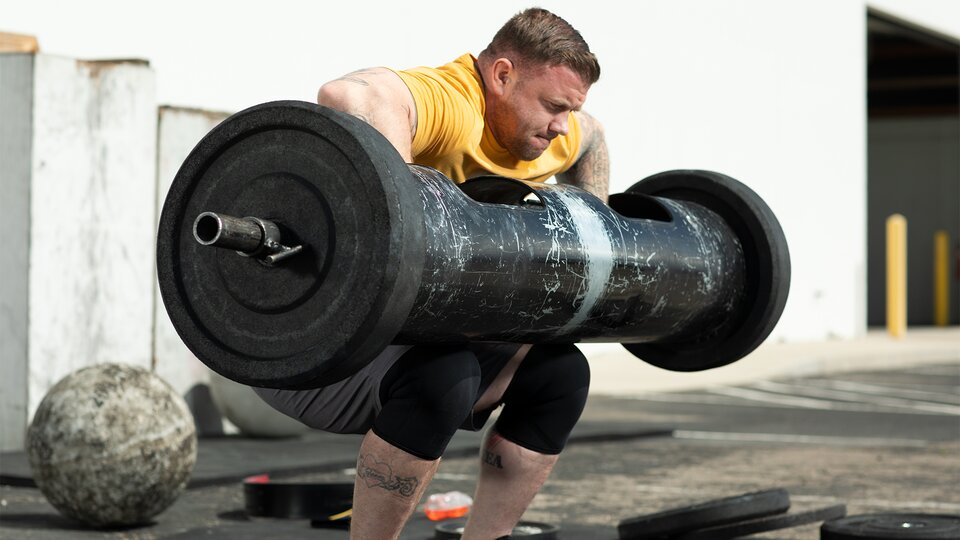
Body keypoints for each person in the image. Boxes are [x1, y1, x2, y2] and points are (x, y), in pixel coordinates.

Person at [254, 7, 609, 539]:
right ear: (503, 75)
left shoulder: (553, 134)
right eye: (553, 106)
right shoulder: (454, 102)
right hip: (307, 342)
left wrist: (591, 221)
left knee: (562, 374)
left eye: (569, 109)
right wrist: (402, 211)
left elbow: (593, 138)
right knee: (445, 375)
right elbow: (343, 95)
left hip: (416, 337)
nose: (562, 124)